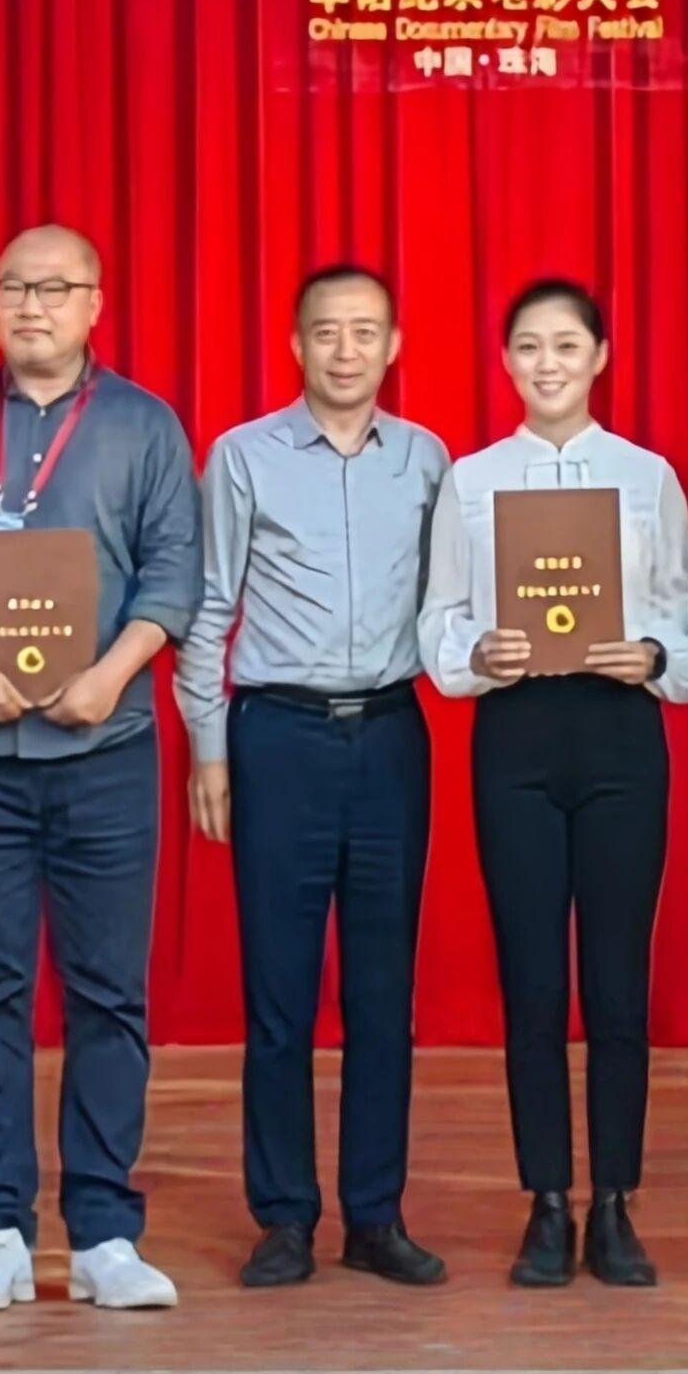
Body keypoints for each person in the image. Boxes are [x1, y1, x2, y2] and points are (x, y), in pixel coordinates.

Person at [0, 223, 203, 1315]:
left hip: (105, 750)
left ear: (95, 303)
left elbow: (173, 576)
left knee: (109, 991)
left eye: (55, 287)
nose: (32, 305)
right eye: (14, 285)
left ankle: (105, 1230)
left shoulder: (144, 426)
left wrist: (111, 676)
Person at [178, 263, 456, 1291]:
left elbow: (450, 601)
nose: (346, 350)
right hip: (278, 737)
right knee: (279, 991)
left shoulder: (428, 460)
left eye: (365, 331)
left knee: (384, 992)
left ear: (394, 346)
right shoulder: (242, 456)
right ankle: (284, 1215)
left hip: (389, 736)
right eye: (326, 331)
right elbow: (208, 607)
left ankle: (375, 1214)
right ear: (295, 344)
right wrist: (208, 746)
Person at [419, 274, 688, 1291]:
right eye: (529, 347)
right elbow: (438, 616)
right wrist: (474, 653)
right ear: (505, 361)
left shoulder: (646, 476)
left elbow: (682, 614)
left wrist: (653, 655)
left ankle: (614, 1202)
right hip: (517, 737)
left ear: (600, 357)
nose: (548, 364)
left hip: (620, 736)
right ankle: (544, 1200)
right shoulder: (471, 480)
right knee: (531, 979)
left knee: (617, 983)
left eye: (567, 346)